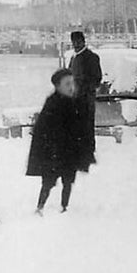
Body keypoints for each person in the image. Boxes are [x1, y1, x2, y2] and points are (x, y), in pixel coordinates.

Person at [26, 68, 87, 214]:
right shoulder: (52, 104)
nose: (71, 87)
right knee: (48, 182)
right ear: (58, 86)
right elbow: (43, 131)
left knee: (68, 181)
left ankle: (64, 207)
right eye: (67, 84)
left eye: (72, 83)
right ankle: (40, 206)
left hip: (69, 151)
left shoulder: (74, 103)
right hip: (53, 152)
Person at [68, 30, 101, 168]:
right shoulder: (73, 58)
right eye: (74, 42)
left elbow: (97, 79)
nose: (76, 44)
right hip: (74, 98)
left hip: (86, 98)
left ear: (83, 41)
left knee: (87, 125)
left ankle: (89, 153)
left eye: (78, 42)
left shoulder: (91, 57)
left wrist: (83, 87)